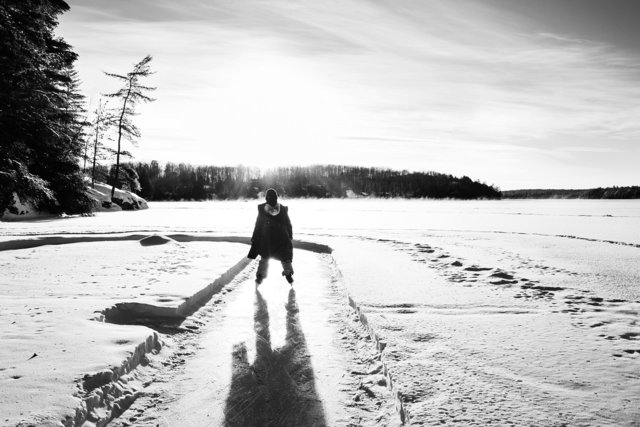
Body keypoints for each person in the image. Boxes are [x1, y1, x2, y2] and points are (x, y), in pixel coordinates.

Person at [247, 188, 294, 284]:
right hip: (282, 237)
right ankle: (288, 272)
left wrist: (255, 237)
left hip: (267, 238)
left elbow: (258, 225)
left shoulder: (263, 210)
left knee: (265, 257)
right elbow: (288, 224)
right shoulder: (282, 209)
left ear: (266, 198)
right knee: (285, 257)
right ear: (276, 198)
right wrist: (289, 235)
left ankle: (260, 275)